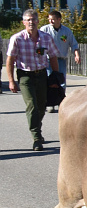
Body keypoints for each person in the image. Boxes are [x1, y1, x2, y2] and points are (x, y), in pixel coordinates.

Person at [5, 8, 60, 150]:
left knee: (42, 107)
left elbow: (53, 56)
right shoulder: (17, 39)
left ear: (38, 21)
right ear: (23, 22)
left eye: (33, 19)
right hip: (25, 76)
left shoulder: (46, 38)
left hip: (41, 75)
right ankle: (36, 137)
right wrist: (11, 81)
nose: (31, 22)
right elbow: (10, 61)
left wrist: (55, 77)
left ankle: (36, 127)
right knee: (32, 106)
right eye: (28, 20)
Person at [40, 9, 80, 112]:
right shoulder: (44, 30)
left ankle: (61, 102)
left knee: (61, 81)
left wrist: (77, 55)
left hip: (61, 59)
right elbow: (39, 45)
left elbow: (74, 44)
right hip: (48, 60)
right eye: (49, 19)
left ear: (59, 19)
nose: (51, 21)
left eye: (53, 19)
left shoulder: (66, 31)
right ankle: (49, 103)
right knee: (50, 80)